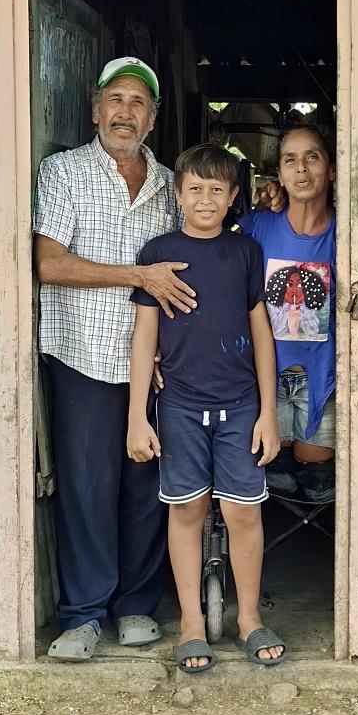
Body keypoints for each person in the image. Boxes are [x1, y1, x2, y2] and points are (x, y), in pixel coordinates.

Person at [33, 56, 199, 662]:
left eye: (138, 103)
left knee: (148, 485)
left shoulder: (168, 184)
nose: (125, 112)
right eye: (116, 100)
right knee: (85, 485)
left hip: (154, 363)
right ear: (96, 109)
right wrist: (137, 276)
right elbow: (46, 262)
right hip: (82, 354)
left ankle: (135, 605)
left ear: (152, 119)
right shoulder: (64, 172)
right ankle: (81, 614)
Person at [126, 144, 286, 673]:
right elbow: (144, 335)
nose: (205, 199)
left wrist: (269, 412)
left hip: (241, 405)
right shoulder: (157, 251)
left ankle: (247, 618)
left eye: (218, 190)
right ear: (177, 194)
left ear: (234, 197)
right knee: (187, 511)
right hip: (179, 405)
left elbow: (261, 333)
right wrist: (137, 416)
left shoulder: (244, 253)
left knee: (243, 511)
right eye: (195, 188)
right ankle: (193, 623)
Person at [239, 124, 336, 501]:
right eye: (290, 160)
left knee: (317, 485)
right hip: (264, 381)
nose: (301, 169)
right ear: (278, 174)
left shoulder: (348, 233)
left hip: (324, 383)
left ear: (330, 169)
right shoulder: (258, 227)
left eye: (312, 156)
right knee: (273, 478)